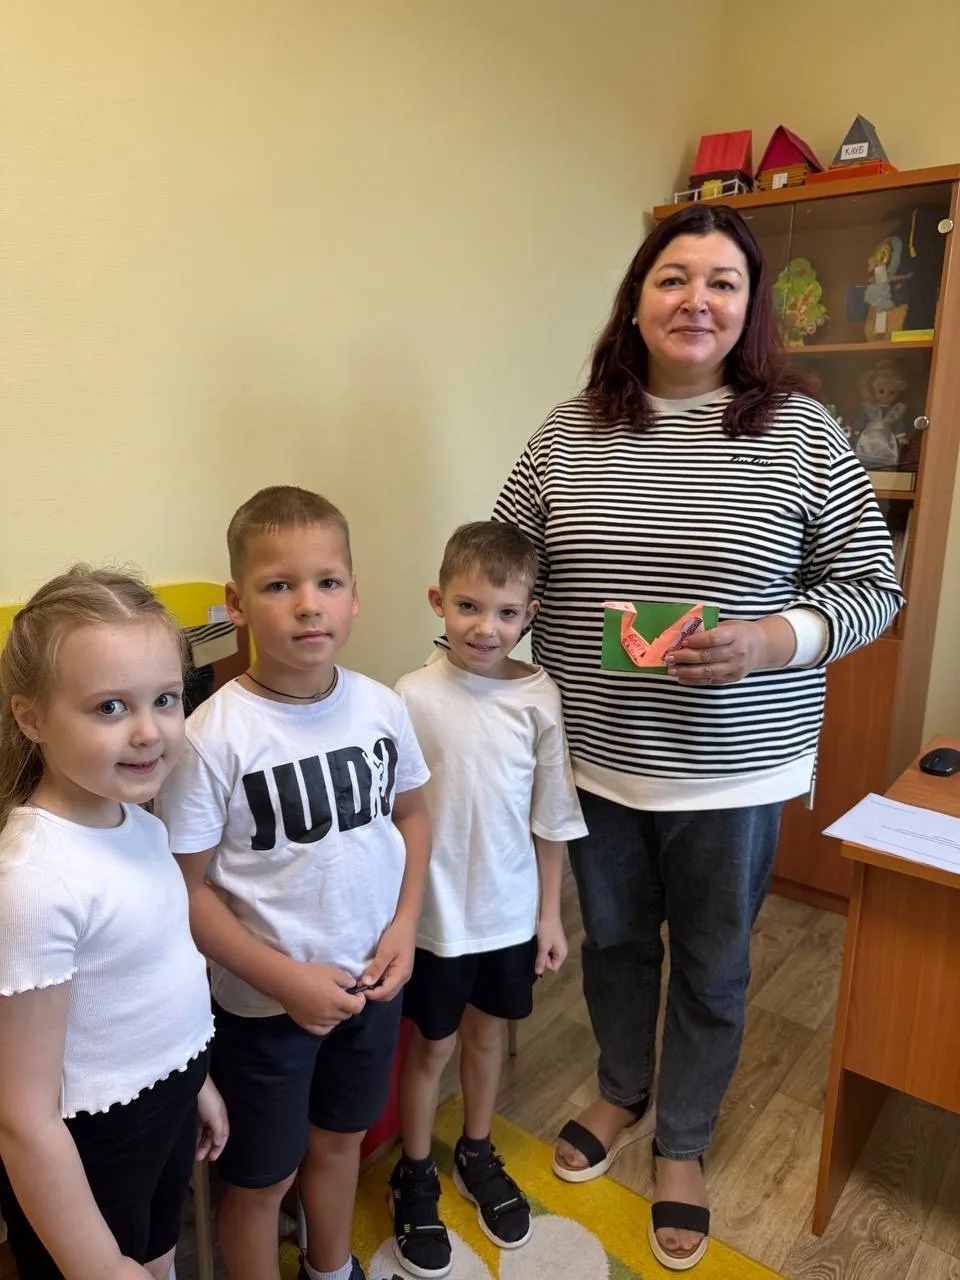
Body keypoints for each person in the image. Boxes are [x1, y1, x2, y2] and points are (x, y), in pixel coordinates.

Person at [493, 202, 904, 1271]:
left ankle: (682, 1139)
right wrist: (470, 662)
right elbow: (508, 564)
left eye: (723, 282)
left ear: (751, 306)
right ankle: (622, 1088)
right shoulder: (567, 432)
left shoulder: (802, 431)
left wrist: (772, 638)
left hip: (736, 770)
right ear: (637, 298)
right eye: (674, 277)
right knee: (614, 944)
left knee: (714, 967)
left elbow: (874, 585)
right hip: (594, 759)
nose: (697, 300)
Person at [157, 485, 432, 1280]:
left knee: (341, 1140)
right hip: (263, 1014)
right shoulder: (211, 739)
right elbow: (185, 890)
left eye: (327, 582)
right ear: (237, 604)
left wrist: (405, 924)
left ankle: (329, 1266)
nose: (309, 605)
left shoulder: (381, 707)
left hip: (370, 984)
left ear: (354, 595)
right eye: (279, 585)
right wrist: (285, 981)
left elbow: (413, 815)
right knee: (260, 1179)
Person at [0, 567, 225, 1280]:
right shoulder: (35, 879)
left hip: (163, 1102)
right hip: (87, 1144)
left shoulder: (139, 822)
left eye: (165, 699)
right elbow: (23, 1119)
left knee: (158, 1259)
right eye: (109, 707)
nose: (148, 730)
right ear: (31, 719)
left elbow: (151, 981)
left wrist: (193, 1080)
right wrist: (96, 1265)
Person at [388, 521, 587, 1279]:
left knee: (484, 1037)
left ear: (530, 613)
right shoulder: (409, 696)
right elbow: (390, 816)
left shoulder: (539, 696)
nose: (485, 627)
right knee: (432, 1046)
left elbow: (551, 815)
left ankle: (476, 1150)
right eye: (468, 606)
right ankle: (414, 1171)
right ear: (437, 601)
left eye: (505, 613)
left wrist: (548, 914)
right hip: (435, 918)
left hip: (507, 914)